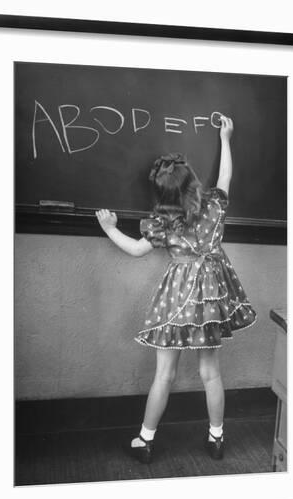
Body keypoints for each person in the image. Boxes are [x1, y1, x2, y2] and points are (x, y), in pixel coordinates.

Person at [95, 116, 257, 464]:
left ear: (162, 194)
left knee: (164, 375)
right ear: (194, 183)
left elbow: (137, 250)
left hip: (177, 299)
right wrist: (225, 139)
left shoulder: (163, 223)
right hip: (211, 299)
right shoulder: (214, 206)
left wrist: (110, 229)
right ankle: (216, 437)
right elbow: (225, 177)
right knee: (210, 373)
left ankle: (145, 440)